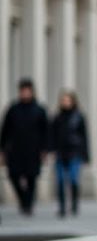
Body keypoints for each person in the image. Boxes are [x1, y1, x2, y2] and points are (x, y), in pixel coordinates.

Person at [0, 78, 49, 217]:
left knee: (31, 177)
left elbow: (46, 131)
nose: (25, 93)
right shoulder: (13, 109)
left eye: (27, 91)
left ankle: (28, 204)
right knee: (13, 175)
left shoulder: (39, 110)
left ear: (32, 92)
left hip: (33, 150)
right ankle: (24, 200)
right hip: (15, 150)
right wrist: (2, 149)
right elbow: (5, 130)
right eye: (23, 91)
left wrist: (45, 149)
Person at [50, 91, 90, 217]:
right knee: (61, 180)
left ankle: (74, 204)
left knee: (73, 179)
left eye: (68, 100)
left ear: (73, 102)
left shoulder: (79, 117)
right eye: (63, 100)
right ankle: (62, 207)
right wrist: (51, 150)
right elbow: (52, 135)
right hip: (60, 153)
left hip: (75, 152)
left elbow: (84, 137)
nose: (65, 103)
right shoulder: (57, 117)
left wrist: (86, 155)